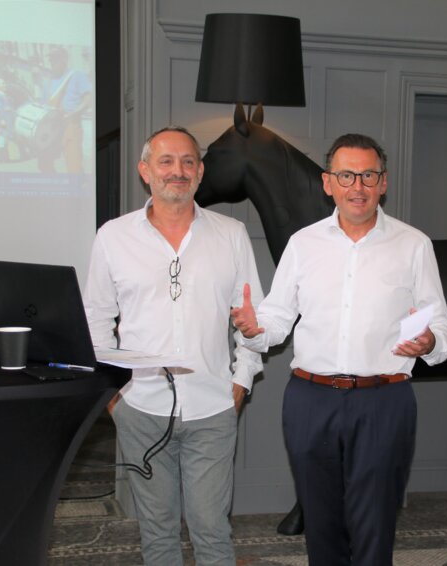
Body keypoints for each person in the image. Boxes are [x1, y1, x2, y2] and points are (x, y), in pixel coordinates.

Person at [231, 133, 447, 565]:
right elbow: (277, 320)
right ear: (327, 183)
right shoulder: (304, 244)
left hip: (384, 399)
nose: (358, 186)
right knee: (320, 520)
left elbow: (438, 320)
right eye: (347, 175)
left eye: (368, 175)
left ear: (383, 182)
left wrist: (430, 341)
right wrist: (255, 328)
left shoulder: (413, 244)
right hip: (310, 399)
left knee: (374, 521)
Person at [83, 126, 264, 565]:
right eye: (165, 161)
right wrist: (114, 394)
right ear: (145, 171)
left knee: (212, 531)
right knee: (158, 533)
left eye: (187, 162)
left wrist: (241, 379)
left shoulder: (231, 234)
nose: (177, 171)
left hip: (213, 408)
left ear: (200, 172)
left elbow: (254, 317)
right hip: (140, 408)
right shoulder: (113, 236)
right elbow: (96, 321)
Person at [36, 46, 92, 173]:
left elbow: (89, 99)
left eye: (55, 59)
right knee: (44, 163)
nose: (52, 63)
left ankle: (76, 189)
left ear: (64, 59)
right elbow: (44, 105)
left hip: (70, 124)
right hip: (51, 126)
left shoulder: (77, 75)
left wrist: (74, 113)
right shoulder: (48, 82)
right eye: (51, 60)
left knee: (74, 164)